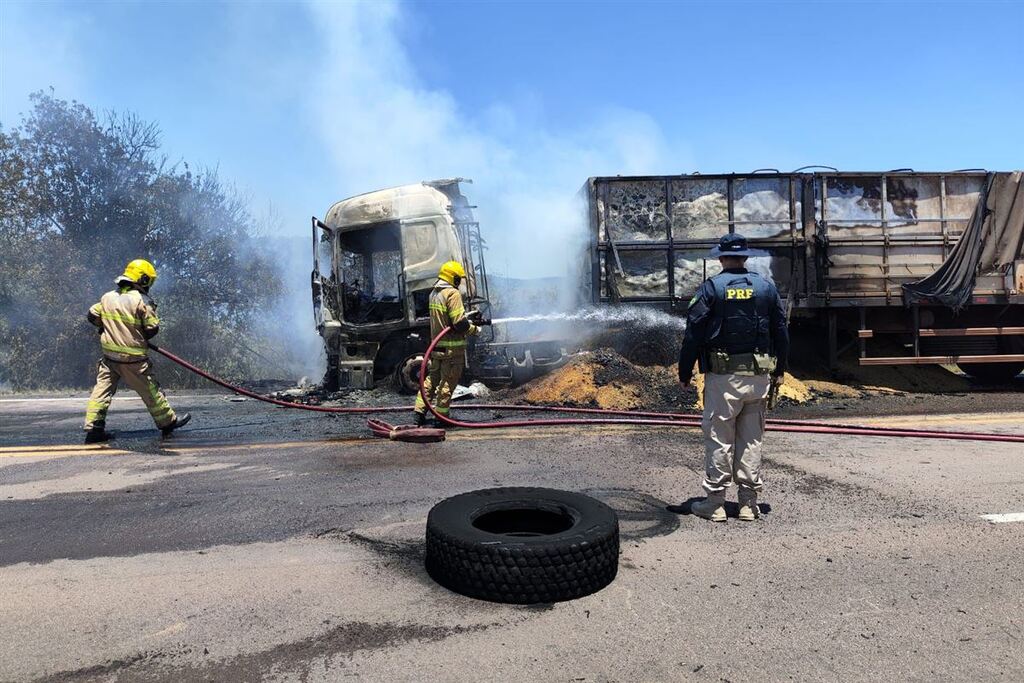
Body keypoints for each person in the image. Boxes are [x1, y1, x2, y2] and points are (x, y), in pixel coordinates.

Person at [676, 233, 789, 522]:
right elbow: (781, 331)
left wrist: (685, 370)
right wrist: (780, 369)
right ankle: (748, 505)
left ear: (721, 258)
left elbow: (693, 333)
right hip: (759, 376)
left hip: (723, 378)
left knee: (719, 438)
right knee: (752, 439)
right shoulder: (766, 288)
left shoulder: (712, 288)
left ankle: (714, 503)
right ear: (745, 258)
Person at [83, 259, 190, 443]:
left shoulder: (107, 297)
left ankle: (94, 428)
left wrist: (105, 327)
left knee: (100, 392)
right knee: (151, 391)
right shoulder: (141, 301)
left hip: (110, 359)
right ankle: (167, 423)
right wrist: (137, 333)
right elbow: (152, 328)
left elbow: (92, 314)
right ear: (143, 280)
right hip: (133, 360)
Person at [413, 261, 485, 427]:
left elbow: (447, 319)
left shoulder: (434, 293)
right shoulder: (452, 294)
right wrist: (475, 330)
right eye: (459, 279)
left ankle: (419, 412)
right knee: (448, 383)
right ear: (454, 278)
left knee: (431, 381)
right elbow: (459, 323)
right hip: (452, 350)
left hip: (437, 348)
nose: (460, 282)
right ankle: (442, 417)